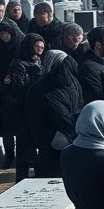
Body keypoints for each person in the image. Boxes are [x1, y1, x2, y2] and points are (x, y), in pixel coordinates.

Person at [26, 50, 82, 178]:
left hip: (54, 143)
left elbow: (33, 120)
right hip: (62, 142)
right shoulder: (72, 83)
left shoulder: (40, 87)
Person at [4, 32, 45, 181]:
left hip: (36, 110)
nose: (40, 48)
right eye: (37, 45)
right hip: (21, 111)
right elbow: (20, 87)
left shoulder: (39, 61)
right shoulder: (18, 63)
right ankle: (21, 178)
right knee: (23, 146)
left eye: (42, 45)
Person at [0, 22, 23, 167]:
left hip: (19, 91)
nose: (5, 36)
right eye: (2, 34)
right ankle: (9, 155)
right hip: (4, 91)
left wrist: (13, 75)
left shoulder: (19, 47)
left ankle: (23, 155)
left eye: (7, 33)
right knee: (7, 128)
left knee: (20, 126)